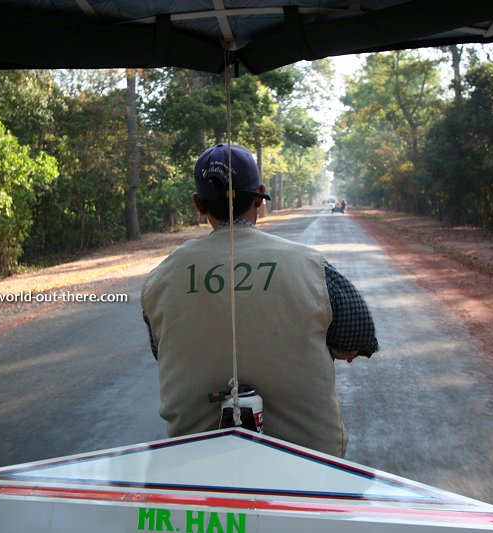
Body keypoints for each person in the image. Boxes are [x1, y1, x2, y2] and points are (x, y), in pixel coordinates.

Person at [141, 144, 378, 458]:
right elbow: (359, 336)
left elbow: (163, 350)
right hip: (312, 460)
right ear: (260, 197)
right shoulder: (311, 266)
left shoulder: (160, 278)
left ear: (198, 205)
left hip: (195, 463)